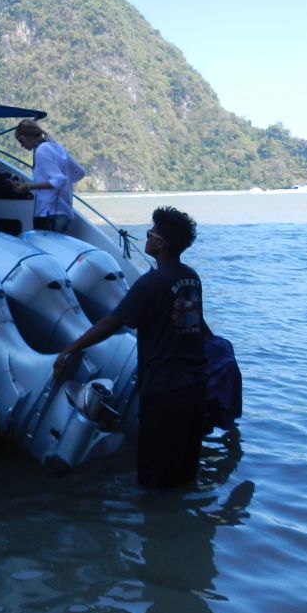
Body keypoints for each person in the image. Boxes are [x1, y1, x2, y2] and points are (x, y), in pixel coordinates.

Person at [53, 206, 208, 491]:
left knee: (153, 474)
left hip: (162, 389)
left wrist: (71, 348)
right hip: (194, 386)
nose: (146, 238)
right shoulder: (191, 278)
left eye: (150, 233)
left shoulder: (150, 284)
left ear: (160, 243)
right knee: (185, 469)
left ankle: (156, 528)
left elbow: (111, 323)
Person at [12, 120, 85, 232]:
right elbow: (80, 173)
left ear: (30, 135)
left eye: (22, 140)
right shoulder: (57, 147)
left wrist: (28, 187)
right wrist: (65, 189)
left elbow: (58, 180)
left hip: (49, 214)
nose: (22, 145)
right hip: (64, 212)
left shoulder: (41, 151)